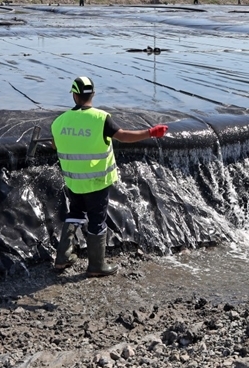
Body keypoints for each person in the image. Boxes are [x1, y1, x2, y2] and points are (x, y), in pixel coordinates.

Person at [51, 76, 168, 276]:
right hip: (97, 182)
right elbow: (123, 136)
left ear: (74, 95)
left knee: (75, 213)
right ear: (93, 94)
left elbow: (55, 145)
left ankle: (62, 258)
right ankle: (96, 266)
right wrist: (150, 132)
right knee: (97, 220)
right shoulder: (100, 118)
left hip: (73, 181)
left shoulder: (59, 121)